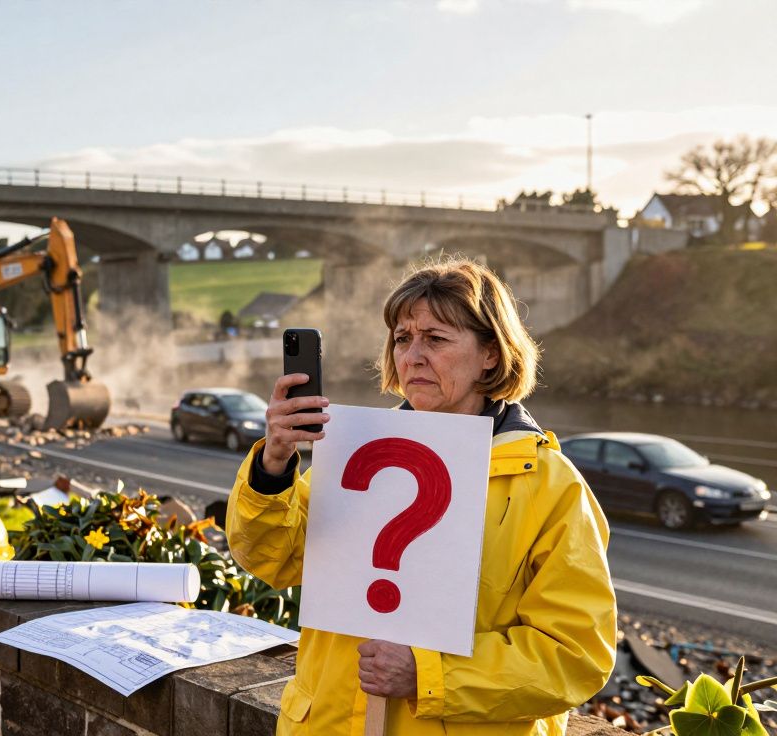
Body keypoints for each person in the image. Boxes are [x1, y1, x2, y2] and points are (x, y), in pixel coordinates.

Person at [228, 257, 617, 735]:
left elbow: (575, 655)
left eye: (435, 339)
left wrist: (429, 676)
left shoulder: (549, 484)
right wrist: (274, 465)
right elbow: (272, 560)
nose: (412, 356)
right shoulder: (363, 450)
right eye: (402, 338)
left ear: (490, 354)